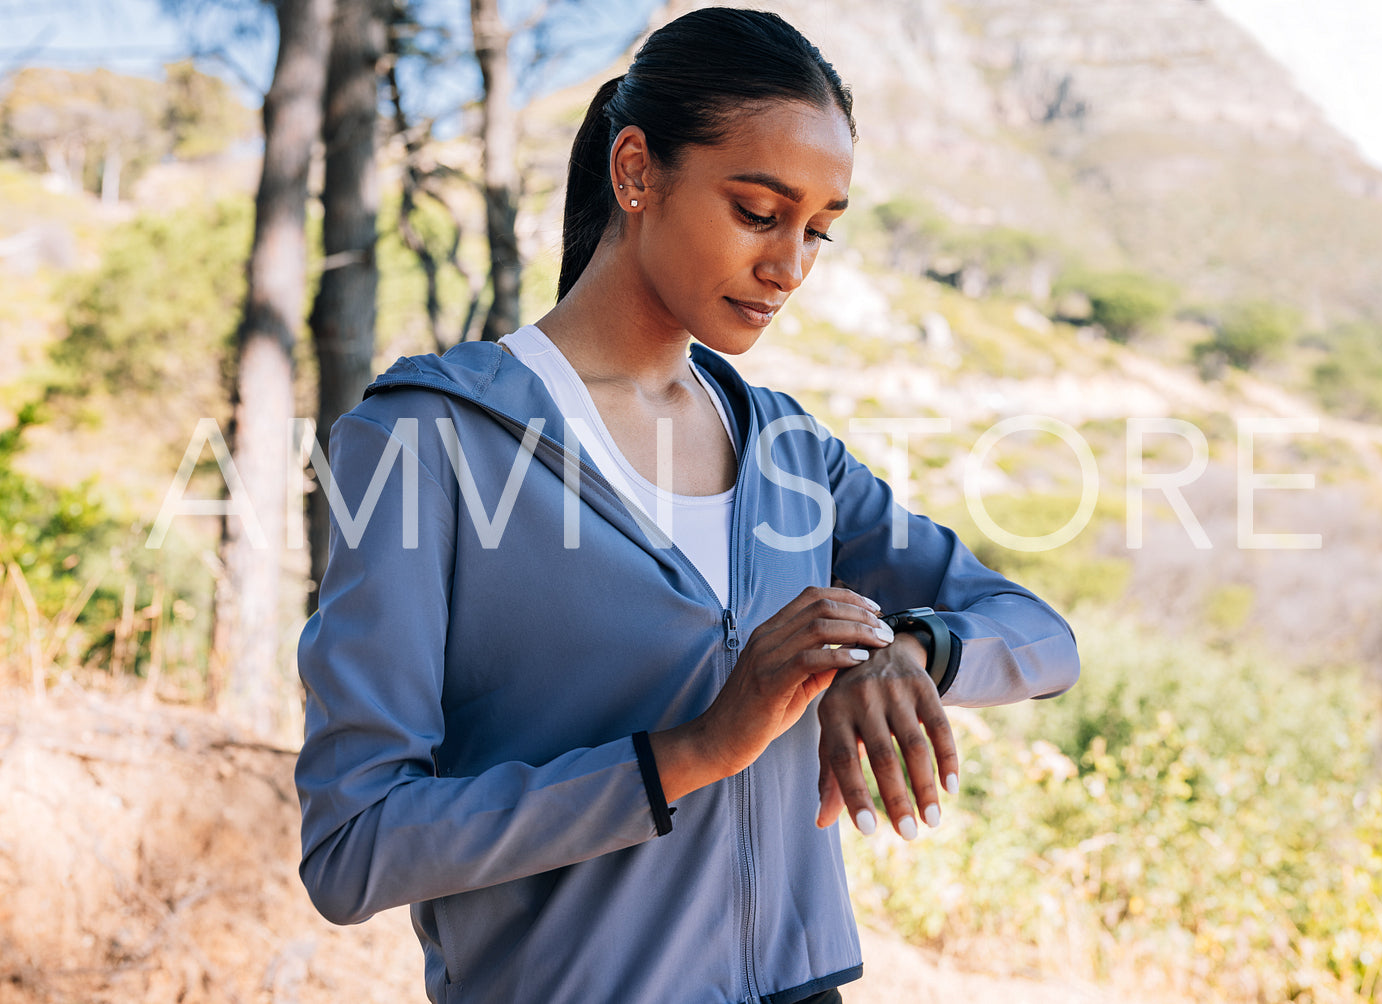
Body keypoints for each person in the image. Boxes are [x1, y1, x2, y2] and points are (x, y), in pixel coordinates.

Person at [294, 8, 1079, 1004]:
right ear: (636, 172)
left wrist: (901, 647)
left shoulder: (789, 454)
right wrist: (693, 751)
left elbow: (1042, 635)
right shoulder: (427, 440)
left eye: (818, 231)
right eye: (758, 211)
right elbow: (354, 845)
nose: (788, 266)